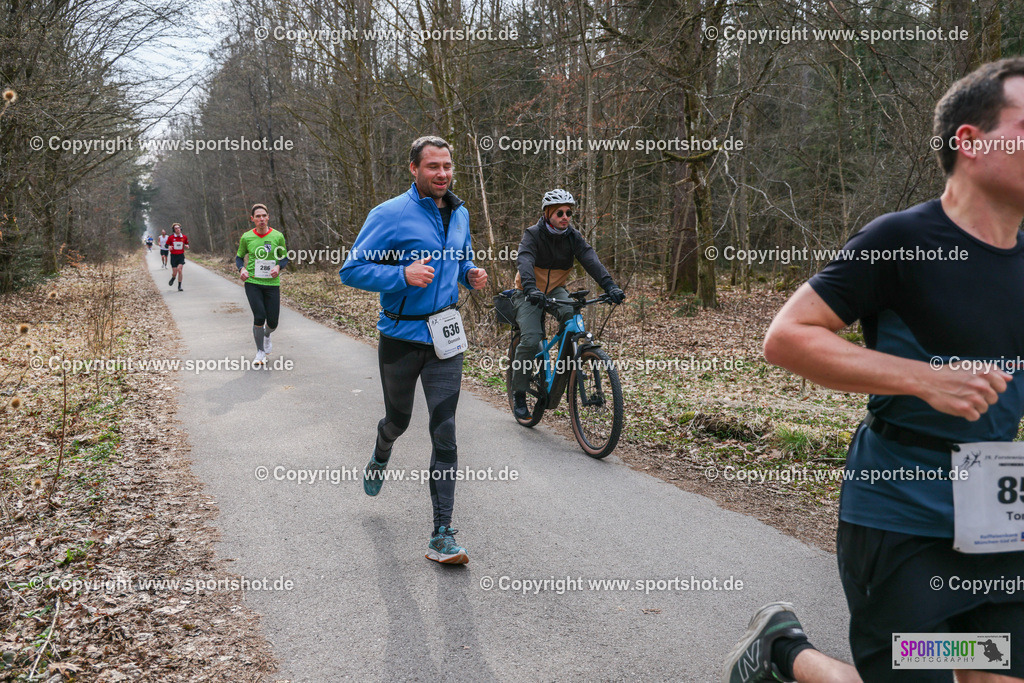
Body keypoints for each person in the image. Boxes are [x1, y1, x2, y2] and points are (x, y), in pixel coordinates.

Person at [722, 58, 1024, 683]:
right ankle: (787, 654)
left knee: (991, 666)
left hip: (999, 509)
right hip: (900, 504)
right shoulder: (900, 240)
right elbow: (787, 337)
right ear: (970, 142)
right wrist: (924, 378)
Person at [340, 135, 487, 565]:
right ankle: (382, 448)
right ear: (414, 169)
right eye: (432, 167)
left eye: (447, 166)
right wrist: (401, 275)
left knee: (445, 433)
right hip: (401, 338)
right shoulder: (389, 214)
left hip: (445, 337)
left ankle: (442, 533)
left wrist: (470, 274)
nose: (442, 174)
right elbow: (352, 270)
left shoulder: (459, 213)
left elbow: (461, 259)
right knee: (399, 420)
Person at [509, 189, 624, 420]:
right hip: (527, 291)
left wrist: (610, 286)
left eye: (569, 212)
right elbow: (525, 260)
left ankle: (562, 364)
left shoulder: (573, 236)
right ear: (548, 213)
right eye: (560, 212)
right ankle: (519, 392)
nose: (565, 216)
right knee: (531, 339)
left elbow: (591, 259)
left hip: (555, 290)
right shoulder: (532, 234)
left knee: (572, 320)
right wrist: (530, 288)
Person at [236, 204, 288, 365]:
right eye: (257, 216)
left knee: (273, 322)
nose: (261, 219)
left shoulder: (277, 236)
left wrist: (278, 267)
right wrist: (241, 269)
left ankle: (266, 334)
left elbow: (284, 257)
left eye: (264, 215)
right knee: (259, 316)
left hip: (272, 283)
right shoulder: (246, 237)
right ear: (252, 219)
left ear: (268, 217)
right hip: (253, 282)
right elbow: (239, 257)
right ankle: (260, 352)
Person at [167, 223, 189, 291]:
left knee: (179, 270)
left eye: (178, 228)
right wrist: (169, 246)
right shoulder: (171, 237)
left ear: (181, 229)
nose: (178, 229)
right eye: (176, 228)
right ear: (174, 230)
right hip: (173, 256)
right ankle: (173, 278)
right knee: (174, 272)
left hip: (181, 256)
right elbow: (166, 245)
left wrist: (187, 245)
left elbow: (187, 243)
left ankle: (179, 286)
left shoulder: (184, 237)